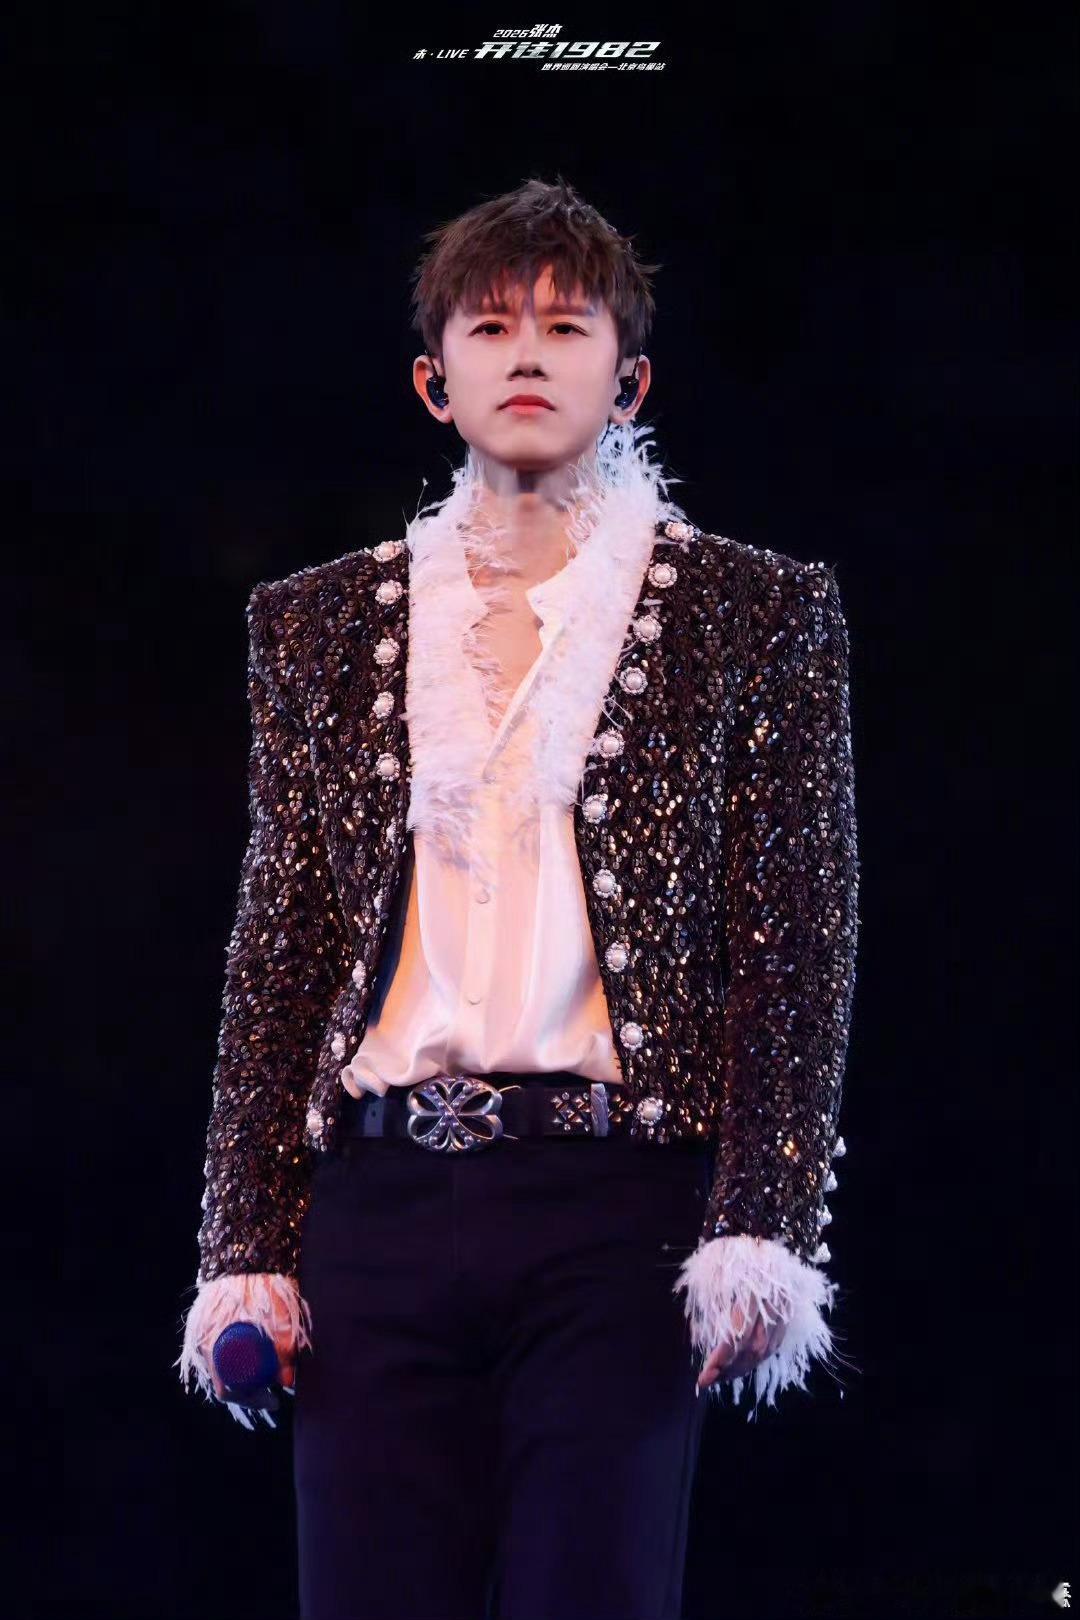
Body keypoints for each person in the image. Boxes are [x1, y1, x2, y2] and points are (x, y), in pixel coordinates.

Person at [176, 175, 860, 1620]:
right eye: (491, 327)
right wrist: (244, 1247)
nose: (529, 354)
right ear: (436, 382)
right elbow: (282, 945)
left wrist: (766, 1218)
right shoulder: (315, 624)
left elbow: (796, 940)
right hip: (376, 1202)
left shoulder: (755, 613)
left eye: (566, 325)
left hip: (616, 1207)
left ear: (631, 379)